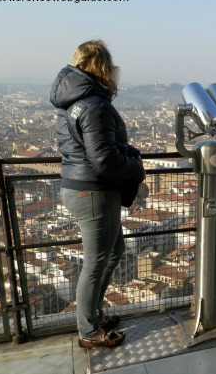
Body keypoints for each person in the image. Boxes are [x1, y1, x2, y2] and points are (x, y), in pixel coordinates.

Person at [50, 39, 145, 348]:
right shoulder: (94, 105)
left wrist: (125, 150)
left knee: (113, 252)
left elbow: (90, 147)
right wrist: (136, 168)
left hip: (81, 188)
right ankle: (89, 330)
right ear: (103, 68)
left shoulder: (74, 102)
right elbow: (103, 159)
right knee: (95, 262)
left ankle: (94, 314)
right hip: (93, 192)